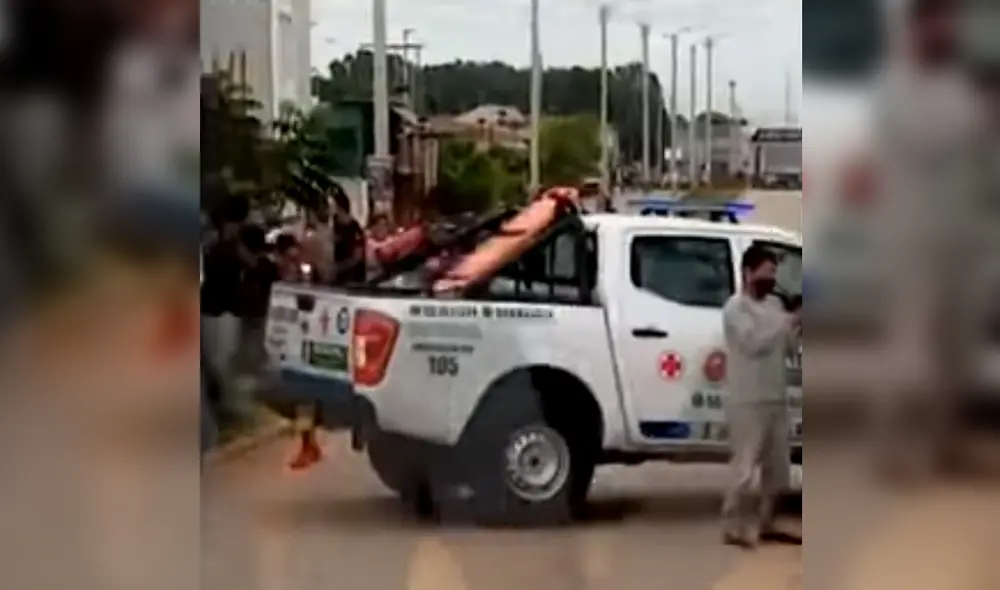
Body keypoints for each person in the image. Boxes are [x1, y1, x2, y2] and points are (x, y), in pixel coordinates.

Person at [721, 244, 801, 548]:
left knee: (778, 471)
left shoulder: (775, 307)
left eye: (774, 273)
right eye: (766, 272)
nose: (771, 279)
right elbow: (754, 344)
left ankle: (767, 523)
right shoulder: (735, 308)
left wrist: (797, 328)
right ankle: (732, 525)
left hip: (775, 398)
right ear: (748, 273)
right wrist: (787, 323)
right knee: (744, 468)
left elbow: (789, 349)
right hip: (748, 400)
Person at [201, 197, 253, 427]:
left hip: (228, 308)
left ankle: (228, 402)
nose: (236, 227)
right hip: (211, 306)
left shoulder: (234, 244)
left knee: (224, 357)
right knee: (215, 358)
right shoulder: (211, 243)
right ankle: (224, 400)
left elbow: (251, 264)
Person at [331, 188, 367, 284]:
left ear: (339, 207)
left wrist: (339, 267)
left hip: (352, 277)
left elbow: (357, 257)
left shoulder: (354, 229)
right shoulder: (334, 223)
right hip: (336, 276)